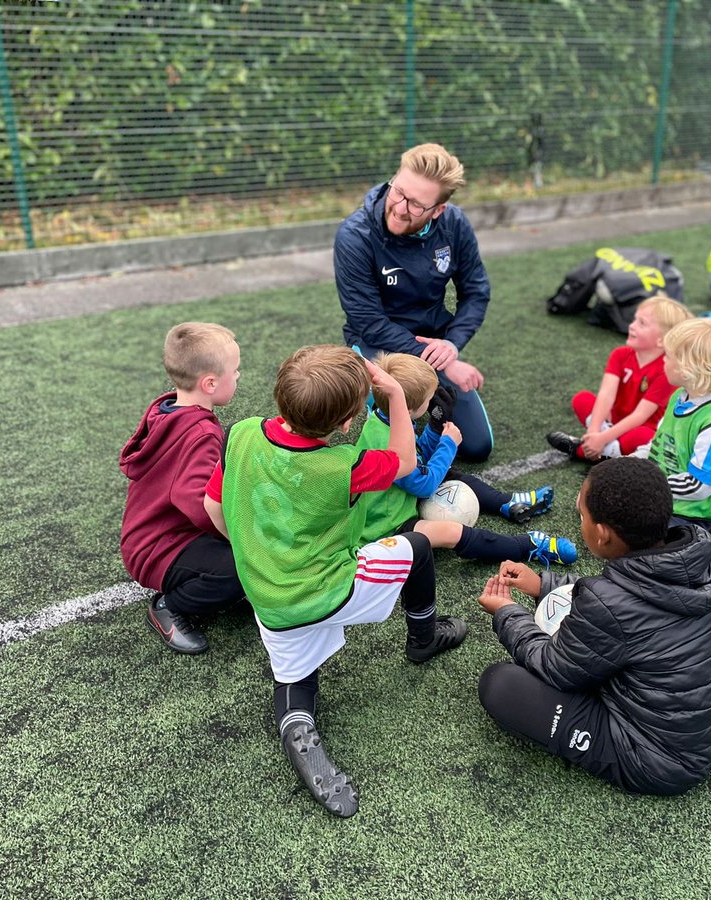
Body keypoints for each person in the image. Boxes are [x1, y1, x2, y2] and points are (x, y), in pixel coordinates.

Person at [203, 345, 466, 819]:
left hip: (269, 596)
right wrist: (396, 397)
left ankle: (298, 724)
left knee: (297, 676)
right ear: (347, 424)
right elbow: (406, 462)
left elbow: (214, 508)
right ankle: (424, 638)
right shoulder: (347, 465)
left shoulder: (240, 433)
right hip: (331, 586)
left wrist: (253, 549)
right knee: (419, 548)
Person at [475, 457, 711, 796]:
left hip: (657, 760)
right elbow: (624, 594)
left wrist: (507, 612)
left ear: (602, 536)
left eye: (582, 515)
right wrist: (542, 584)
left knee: (501, 684)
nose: (580, 520)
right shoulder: (691, 557)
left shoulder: (609, 605)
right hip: (701, 734)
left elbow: (553, 667)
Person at [334, 142, 494, 462]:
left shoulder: (455, 225)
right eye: (398, 192)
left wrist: (451, 345)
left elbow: (476, 292)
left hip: (432, 342)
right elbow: (368, 320)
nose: (400, 207)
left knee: (477, 447)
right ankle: (364, 376)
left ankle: (420, 388)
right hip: (377, 343)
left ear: (438, 211)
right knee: (387, 429)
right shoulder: (355, 235)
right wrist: (444, 362)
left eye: (416, 205)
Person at [357, 352, 576, 567]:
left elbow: (416, 455)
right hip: (386, 527)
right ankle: (528, 545)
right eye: (428, 399)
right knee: (453, 532)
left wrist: (434, 427)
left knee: (447, 473)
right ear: (411, 408)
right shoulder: (387, 443)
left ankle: (506, 502)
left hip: (396, 501)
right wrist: (448, 444)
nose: (432, 401)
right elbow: (423, 485)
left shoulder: (383, 420)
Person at [118, 322, 245, 655]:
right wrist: (239, 538)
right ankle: (171, 607)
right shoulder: (200, 433)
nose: (239, 376)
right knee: (244, 565)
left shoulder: (167, 409)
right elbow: (199, 503)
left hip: (158, 534)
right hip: (159, 547)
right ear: (210, 383)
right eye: (236, 371)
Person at [641, 316, 711, 533]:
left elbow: (700, 485)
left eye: (668, 356)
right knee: (598, 499)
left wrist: (647, 486)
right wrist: (627, 466)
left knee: (627, 534)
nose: (662, 360)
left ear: (689, 369)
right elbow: (656, 446)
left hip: (689, 517)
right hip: (658, 497)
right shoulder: (680, 396)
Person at [546, 293, 693, 462]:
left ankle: (583, 450)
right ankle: (607, 449)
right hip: (613, 423)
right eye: (635, 319)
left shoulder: (666, 370)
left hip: (638, 429)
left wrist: (602, 439)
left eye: (642, 323)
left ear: (661, 341)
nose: (632, 326)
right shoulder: (620, 355)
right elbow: (606, 395)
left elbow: (640, 416)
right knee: (582, 399)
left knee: (645, 436)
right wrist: (594, 431)